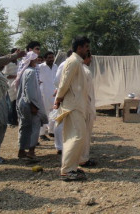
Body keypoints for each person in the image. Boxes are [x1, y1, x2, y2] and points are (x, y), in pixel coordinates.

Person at [54, 36, 90, 181]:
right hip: (73, 105)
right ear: (79, 47)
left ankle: (72, 167)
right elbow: (64, 82)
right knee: (77, 136)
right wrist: (58, 98)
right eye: (86, 46)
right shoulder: (73, 61)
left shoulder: (78, 62)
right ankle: (67, 170)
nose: (87, 50)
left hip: (77, 105)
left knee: (75, 136)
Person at [16, 51, 48, 160]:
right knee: (34, 127)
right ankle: (31, 151)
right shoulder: (31, 72)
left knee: (24, 127)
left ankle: (21, 151)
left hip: (24, 103)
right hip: (30, 104)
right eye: (35, 59)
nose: (37, 60)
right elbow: (29, 90)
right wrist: (33, 105)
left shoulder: (25, 71)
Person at [52, 49, 73, 155]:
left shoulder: (76, 65)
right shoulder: (64, 65)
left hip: (71, 98)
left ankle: (65, 144)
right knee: (60, 121)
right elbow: (56, 81)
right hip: (63, 97)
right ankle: (59, 146)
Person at [79, 50, 97, 167]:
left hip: (81, 106)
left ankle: (79, 157)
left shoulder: (78, 69)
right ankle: (83, 159)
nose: (91, 60)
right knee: (85, 134)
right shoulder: (85, 71)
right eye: (90, 58)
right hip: (85, 106)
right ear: (86, 58)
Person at [39, 51, 58, 141]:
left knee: (54, 113)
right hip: (44, 93)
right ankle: (42, 133)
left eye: (52, 57)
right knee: (44, 114)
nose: (51, 59)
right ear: (45, 58)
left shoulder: (55, 66)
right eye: (49, 58)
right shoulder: (40, 67)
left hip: (54, 93)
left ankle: (51, 131)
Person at [3, 48, 19, 126]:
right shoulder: (8, 64)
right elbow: (4, 75)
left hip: (18, 85)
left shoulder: (20, 62)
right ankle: (11, 121)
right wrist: (15, 76)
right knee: (11, 104)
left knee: (17, 103)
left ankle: (16, 119)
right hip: (10, 86)